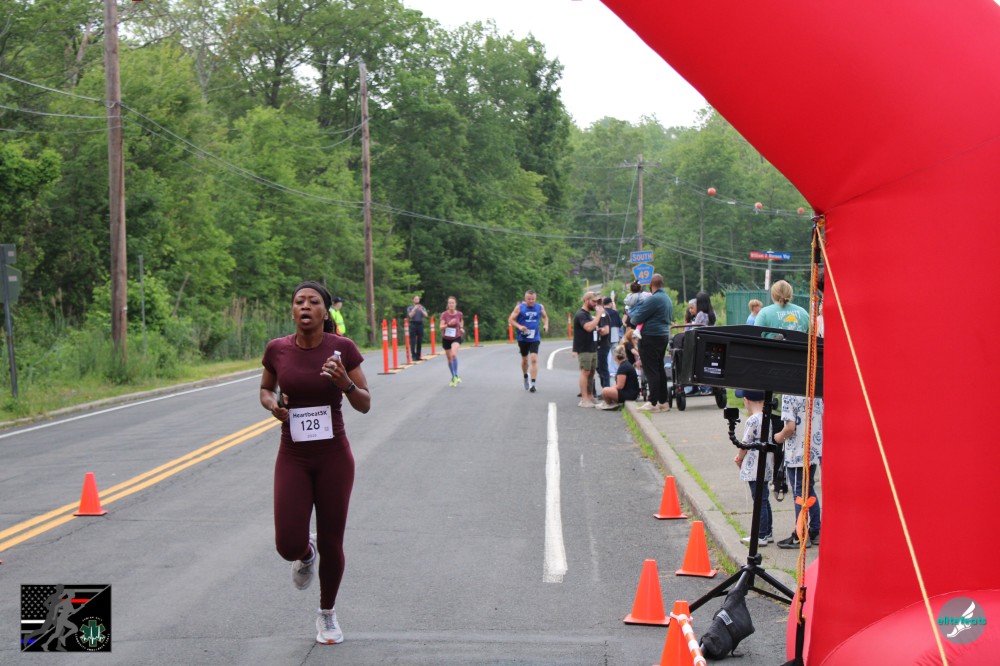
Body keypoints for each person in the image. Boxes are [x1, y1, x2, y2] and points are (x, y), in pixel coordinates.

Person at [260, 281, 371, 645]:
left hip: (333, 457)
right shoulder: (277, 349)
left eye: (312, 301)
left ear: (325, 312)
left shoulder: (342, 349)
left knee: (333, 540)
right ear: (292, 311)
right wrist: (273, 405)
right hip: (293, 455)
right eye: (299, 301)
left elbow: (365, 403)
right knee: (287, 544)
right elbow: (265, 389)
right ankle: (306, 553)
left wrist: (345, 383)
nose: (305, 306)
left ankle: (327, 613)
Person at [773, 393, 823, 549]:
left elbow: (790, 427)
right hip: (813, 449)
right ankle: (816, 529)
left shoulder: (789, 395)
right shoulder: (815, 393)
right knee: (808, 490)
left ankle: (800, 534)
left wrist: (779, 437)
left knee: (799, 493)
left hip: (797, 452)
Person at [732, 389, 774, 546]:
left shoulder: (752, 420)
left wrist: (739, 458)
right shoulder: (767, 418)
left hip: (754, 466)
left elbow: (745, 443)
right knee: (764, 499)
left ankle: (760, 535)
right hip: (766, 464)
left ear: (747, 401)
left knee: (759, 501)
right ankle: (767, 531)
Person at [628, 273, 673, 412]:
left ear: (651, 285)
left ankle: (653, 402)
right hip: (663, 335)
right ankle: (663, 401)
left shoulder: (653, 299)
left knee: (651, 370)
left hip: (650, 337)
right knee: (659, 368)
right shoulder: (667, 298)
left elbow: (635, 319)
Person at [507, 290, 549, 392]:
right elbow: (511, 320)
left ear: (535, 298)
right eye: (529, 299)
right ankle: (525, 376)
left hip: (535, 337)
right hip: (523, 337)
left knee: (534, 359)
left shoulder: (539, 307)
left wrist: (546, 325)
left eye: (533, 299)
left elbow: (545, 317)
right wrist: (519, 326)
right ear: (525, 299)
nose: (531, 301)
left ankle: (533, 384)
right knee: (525, 359)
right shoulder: (520, 307)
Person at [572, 291, 604, 408]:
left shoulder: (588, 314)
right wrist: (598, 315)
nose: (595, 304)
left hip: (592, 347)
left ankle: (590, 396)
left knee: (591, 372)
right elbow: (588, 327)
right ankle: (584, 399)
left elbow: (592, 327)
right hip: (584, 348)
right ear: (586, 300)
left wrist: (598, 329)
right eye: (593, 301)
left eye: (597, 301)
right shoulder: (581, 314)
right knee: (585, 372)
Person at [598, 344, 641, 410]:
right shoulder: (625, 364)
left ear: (615, 357)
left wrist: (610, 389)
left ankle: (610, 404)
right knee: (608, 389)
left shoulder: (623, 367)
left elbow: (620, 386)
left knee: (605, 391)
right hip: (631, 392)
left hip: (629, 394)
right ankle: (609, 402)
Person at [439, 296, 465, 386]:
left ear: (455, 304)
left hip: (456, 337)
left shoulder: (459, 314)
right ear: (448, 304)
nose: (451, 304)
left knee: (453, 354)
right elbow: (440, 327)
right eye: (449, 303)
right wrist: (448, 324)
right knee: (449, 359)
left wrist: (461, 328)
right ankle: (454, 376)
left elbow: (461, 321)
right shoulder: (444, 314)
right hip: (446, 338)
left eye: (452, 303)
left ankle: (455, 376)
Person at [406, 295, 429, 361]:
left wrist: (421, 310)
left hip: (420, 324)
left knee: (420, 340)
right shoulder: (410, 308)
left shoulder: (422, 307)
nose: (417, 300)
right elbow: (410, 315)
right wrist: (415, 309)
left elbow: (426, 315)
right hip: (413, 324)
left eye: (418, 299)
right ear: (413, 300)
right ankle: (413, 355)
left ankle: (418, 356)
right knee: (413, 340)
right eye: (415, 299)